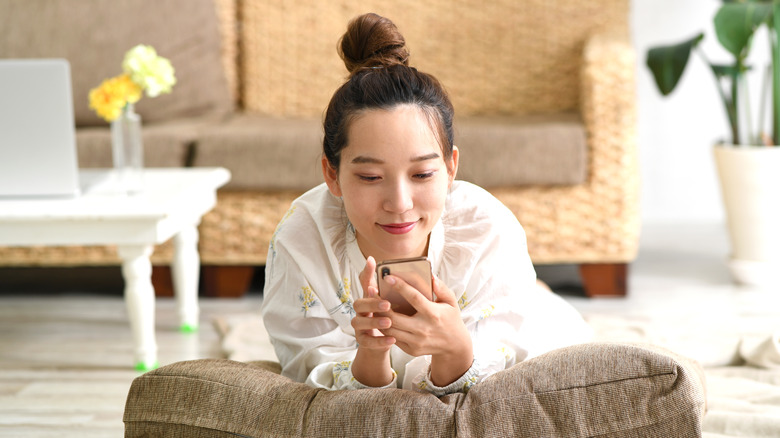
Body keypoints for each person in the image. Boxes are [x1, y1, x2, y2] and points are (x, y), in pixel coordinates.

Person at [261, 12, 591, 396]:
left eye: (422, 175)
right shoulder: (302, 239)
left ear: (451, 167)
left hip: (523, 312)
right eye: (370, 177)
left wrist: (456, 348)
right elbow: (310, 373)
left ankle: (541, 292)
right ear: (332, 174)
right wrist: (369, 357)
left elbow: (501, 374)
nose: (400, 205)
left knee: (548, 313)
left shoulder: (485, 230)